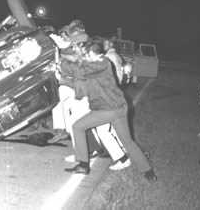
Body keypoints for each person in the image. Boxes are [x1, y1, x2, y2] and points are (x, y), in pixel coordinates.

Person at [62, 40, 157, 182]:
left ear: (94, 54)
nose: (84, 56)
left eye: (86, 54)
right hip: (119, 107)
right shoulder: (97, 65)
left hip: (107, 109)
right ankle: (148, 172)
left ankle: (83, 164)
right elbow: (82, 85)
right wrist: (63, 80)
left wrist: (64, 53)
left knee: (77, 127)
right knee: (128, 141)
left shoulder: (100, 64)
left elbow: (76, 69)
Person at [49, 25, 129, 170]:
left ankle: (111, 157)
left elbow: (79, 74)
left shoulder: (90, 54)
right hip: (95, 97)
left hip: (95, 98)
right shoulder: (87, 53)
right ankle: (92, 157)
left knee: (97, 128)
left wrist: (62, 75)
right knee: (98, 129)